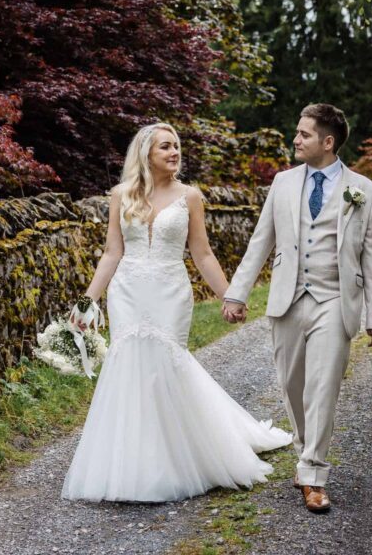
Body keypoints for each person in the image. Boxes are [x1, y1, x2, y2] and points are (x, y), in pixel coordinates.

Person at [60, 123, 292, 503]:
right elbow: (111, 253)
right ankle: (132, 462)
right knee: (129, 365)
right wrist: (87, 302)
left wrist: (230, 297)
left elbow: (202, 254)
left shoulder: (190, 197)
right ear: (146, 154)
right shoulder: (121, 195)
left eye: (176, 146)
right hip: (128, 290)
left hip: (170, 289)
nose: (174, 152)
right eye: (165, 147)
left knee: (166, 364)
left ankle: (184, 455)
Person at [222, 103, 372, 513]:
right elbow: (260, 241)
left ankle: (314, 473)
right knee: (293, 388)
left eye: (304, 135)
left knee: (322, 389)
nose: (295, 140)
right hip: (288, 299)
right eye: (297, 133)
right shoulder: (282, 183)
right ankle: (303, 451)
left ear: (327, 142)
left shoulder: (366, 192)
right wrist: (236, 292)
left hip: (335, 300)